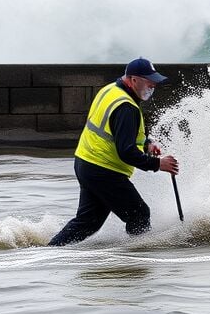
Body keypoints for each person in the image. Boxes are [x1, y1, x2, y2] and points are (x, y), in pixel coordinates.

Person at [48, 57, 181, 246]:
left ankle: (48, 252)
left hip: (86, 163)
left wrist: (146, 143)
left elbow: (116, 132)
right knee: (139, 214)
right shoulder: (126, 107)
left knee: (87, 223)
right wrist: (158, 164)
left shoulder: (111, 90)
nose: (153, 85)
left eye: (155, 82)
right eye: (149, 81)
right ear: (134, 80)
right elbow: (126, 151)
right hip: (103, 170)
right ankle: (137, 261)